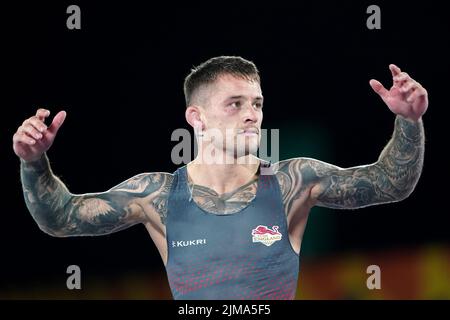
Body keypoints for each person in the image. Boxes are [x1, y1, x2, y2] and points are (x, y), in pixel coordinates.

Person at [13, 56, 427, 300]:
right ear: (197, 117)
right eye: (235, 103)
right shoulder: (156, 195)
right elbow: (60, 218)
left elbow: (390, 184)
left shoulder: (292, 182)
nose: (252, 114)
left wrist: (409, 121)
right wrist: (34, 162)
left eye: (257, 103)